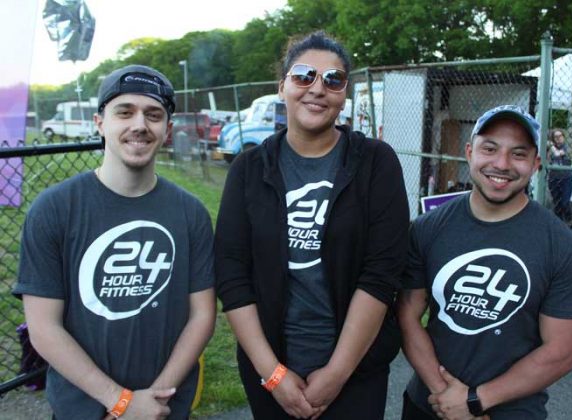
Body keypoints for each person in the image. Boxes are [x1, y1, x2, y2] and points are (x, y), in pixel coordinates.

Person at [215, 31, 409, 420]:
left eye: (333, 79)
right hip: (271, 372)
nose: (318, 88)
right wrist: (273, 375)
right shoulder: (249, 169)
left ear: (344, 93)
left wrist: (337, 373)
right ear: (282, 85)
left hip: (355, 375)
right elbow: (232, 275)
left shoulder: (375, 163)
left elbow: (382, 273)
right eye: (304, 75)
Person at [14, 64, 216, 420]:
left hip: (164, 407)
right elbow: (44, 328)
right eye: (124, 112)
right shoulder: (53, 209)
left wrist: (153, 402)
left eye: (153, 115)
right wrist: (120, 402)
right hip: (83, 408)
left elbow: (202, 315)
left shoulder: (191, 213)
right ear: (99, 123)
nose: (140, 124)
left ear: (168, 130)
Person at [398, 105, 572, 420]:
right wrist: (447, 397)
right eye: (489, 149)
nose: (501, 164)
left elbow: (561, 353)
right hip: (428, 403)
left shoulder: (563, 247)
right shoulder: (427, 228)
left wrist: (476, 401)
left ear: (536, 164)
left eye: (518, 154)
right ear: (469, 153)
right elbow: (407, 314)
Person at [547, 128, 572, 224]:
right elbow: (547, 158)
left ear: (563, 137)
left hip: (566, 179)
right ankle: (559, 224)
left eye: (560, 136)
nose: (558, 138)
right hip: (554, 179)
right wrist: (549, 147)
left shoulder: (567, 147)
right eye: (555, 137)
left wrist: (551, 146)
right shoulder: (550, 149)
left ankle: (569, 222)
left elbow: (558, 154)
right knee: (557, 203)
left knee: (565, 202)